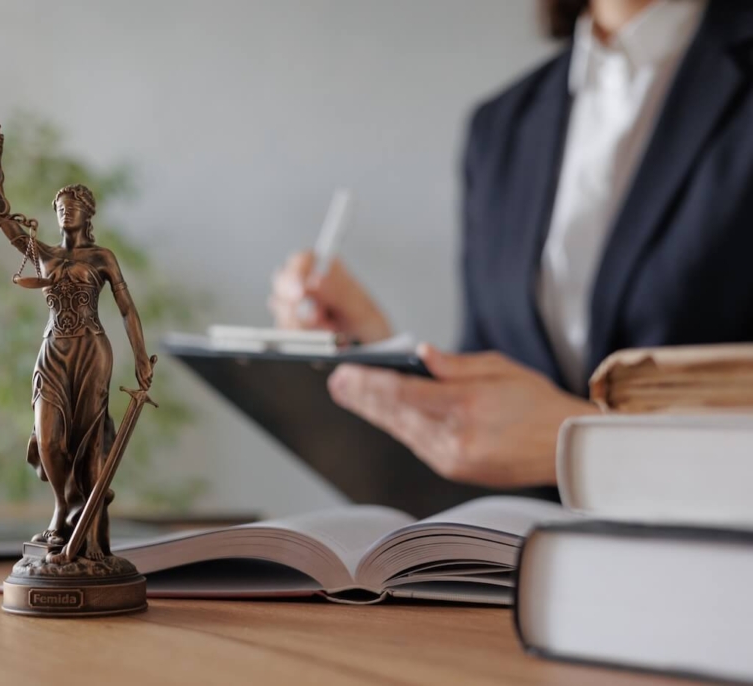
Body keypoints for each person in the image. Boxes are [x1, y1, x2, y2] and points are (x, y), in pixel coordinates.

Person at [270, 0, 753, 489]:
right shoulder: (499, 129)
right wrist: (375, 354)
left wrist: (582, 444)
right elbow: (489, 399)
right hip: (525, 535)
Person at [0, 184, 154, 561]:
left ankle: (88, 529)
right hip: (52, 351)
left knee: (89, 442)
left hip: (91, 351)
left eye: (73, 207)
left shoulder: (102, 257)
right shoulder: (44, 253)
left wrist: (140, 355)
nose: (65, 213)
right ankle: (61, 505)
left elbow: (126, 307)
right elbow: (9, 227)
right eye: (60, 208)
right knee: (48, 439)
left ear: (88, 213)